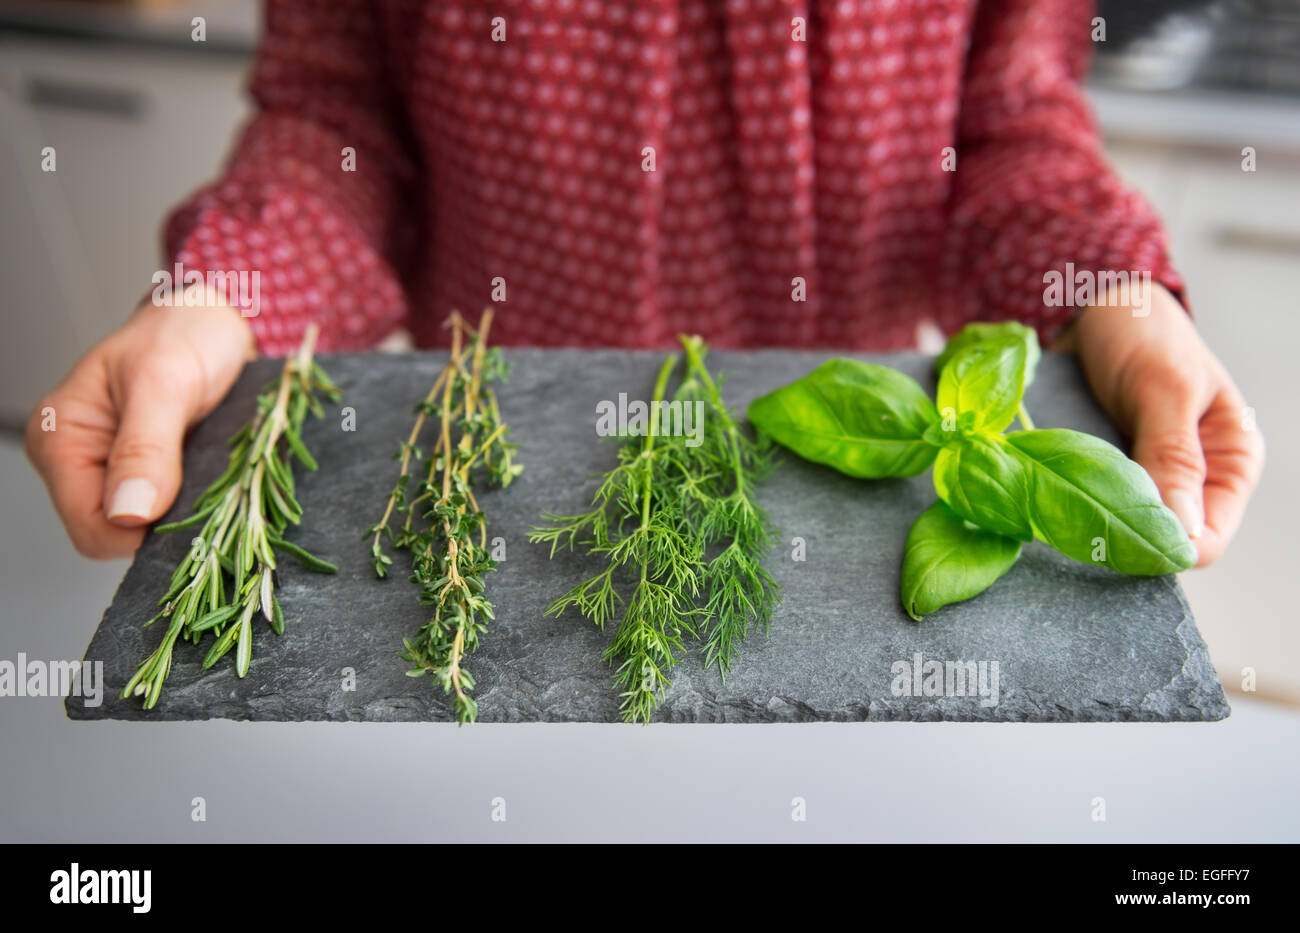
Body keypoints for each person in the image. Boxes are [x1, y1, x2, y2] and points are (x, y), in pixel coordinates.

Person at [24, 0, 1262, 567]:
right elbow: (338, 119)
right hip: (504, 455)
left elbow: (1003, 130)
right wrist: (216, 296)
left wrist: (1117, 297)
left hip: (833, 471)